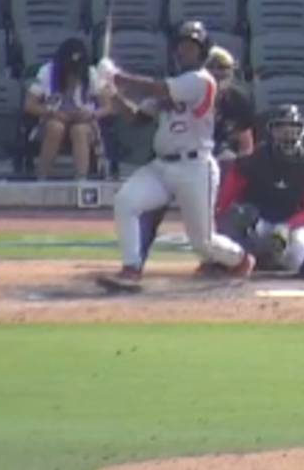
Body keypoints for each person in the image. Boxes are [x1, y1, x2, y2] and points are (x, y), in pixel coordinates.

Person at [96, 20, 255, 292]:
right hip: (162, 166)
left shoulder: (202, 81)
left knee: (202, 242)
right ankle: (131, 269)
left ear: (202, 51)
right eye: (181, 45)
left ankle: (240, 260)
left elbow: (158, 89)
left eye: (191, 46)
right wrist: (113, 95)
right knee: (126, 201)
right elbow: (138, 118)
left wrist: (118, 77)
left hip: (195, 167)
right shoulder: (177, 82)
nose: (184, 51)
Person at [212, 104, 304, 279]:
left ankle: (273, 259)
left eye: (293, 129)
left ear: (302, 132)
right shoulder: (254, 160)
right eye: (282, 130)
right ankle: (233, 257)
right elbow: (227, 199)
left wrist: (286, 227)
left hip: (289, 229)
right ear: (272, 132)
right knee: (239, 215)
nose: (288, 135)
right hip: (256, 225)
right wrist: (222, 229)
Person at [24, 36, 109, 180]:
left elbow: (108, 107)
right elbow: (29, 105)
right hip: (53, 120)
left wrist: (92, 114)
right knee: (56, 127)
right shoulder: (47, 72)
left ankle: (81, 179)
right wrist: (52, 112)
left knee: (79, 130)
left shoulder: (92, 74)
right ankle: (41, 177)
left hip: (85, 123)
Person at [207, 46, 255, 161]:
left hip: (224, 155)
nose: (216, 72)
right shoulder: (190, 95)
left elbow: (246, 145)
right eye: (210, 67)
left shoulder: (239, 100)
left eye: (222, 67)